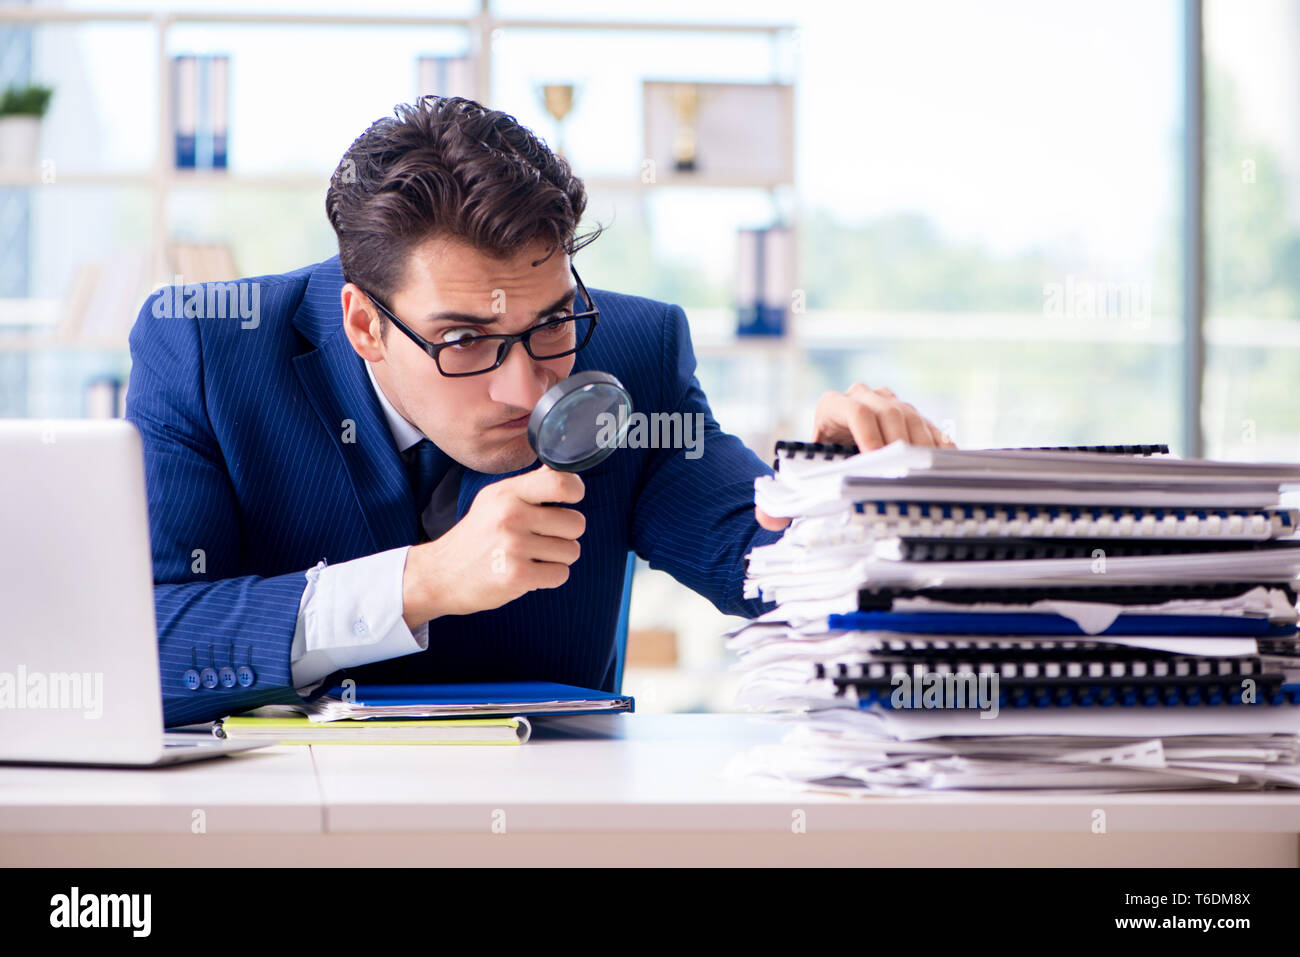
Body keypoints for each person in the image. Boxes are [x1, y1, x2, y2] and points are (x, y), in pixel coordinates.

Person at [125, 96, 954, 727]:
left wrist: (846, 491)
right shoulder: (206, 350)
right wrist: (422, 583)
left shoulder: (634, 350)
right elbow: (142, 649)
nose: (527, 392)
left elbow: (771, 570)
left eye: (552, 321)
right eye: (465, 338)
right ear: (363, 324)